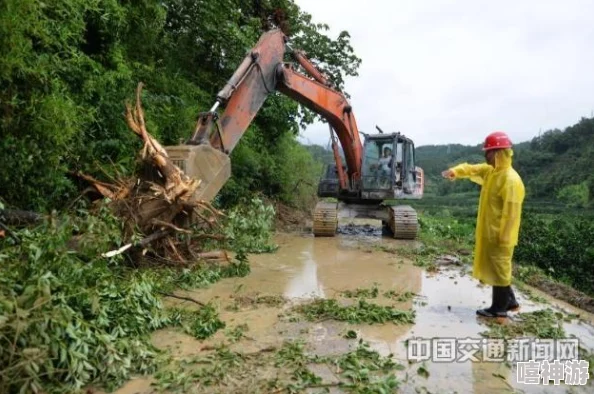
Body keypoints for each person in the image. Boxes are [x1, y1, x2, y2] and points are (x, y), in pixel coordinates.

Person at [441, 131, 525, 318]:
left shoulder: (510, 180)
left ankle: (499, 309)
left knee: (501, 268)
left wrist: (505, 237)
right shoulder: (492, 172)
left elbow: (512, 213)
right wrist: (456, 171)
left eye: (488, 152)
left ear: (498, 153)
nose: (485, 155)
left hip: (501, 235)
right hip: (490, 232)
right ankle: (510, 301)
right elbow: (473, 169)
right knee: (497, 268)